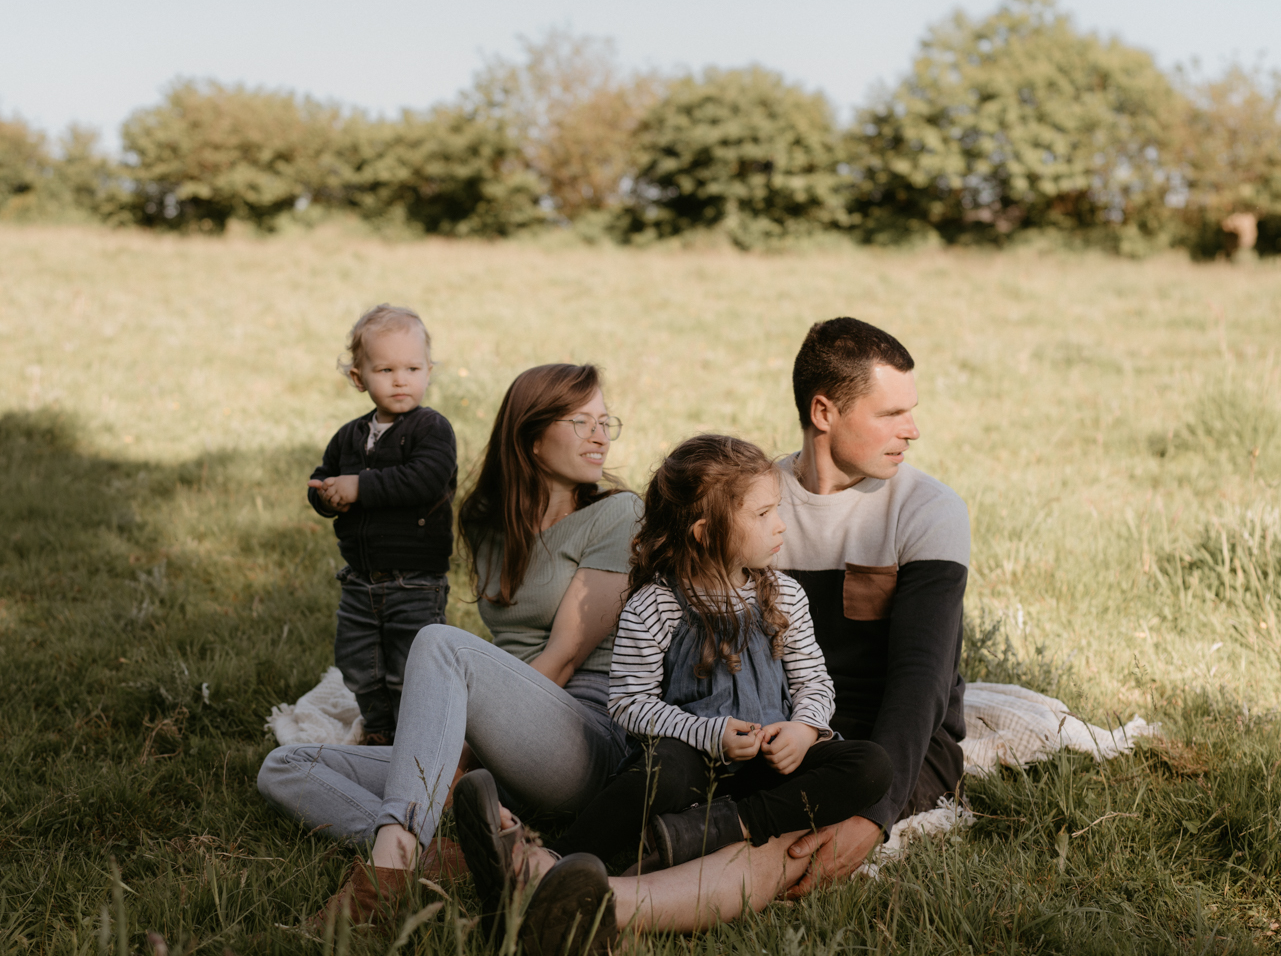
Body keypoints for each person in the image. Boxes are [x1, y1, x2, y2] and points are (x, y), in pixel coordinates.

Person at [262, 362, 642, 916]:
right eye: (580, 422)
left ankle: (388, 869)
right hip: (495, 747)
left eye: (605, 421)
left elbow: (562, 659)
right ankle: (454, 855)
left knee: (441, 643)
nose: (600, 435)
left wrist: (460, 746)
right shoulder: (488, 522)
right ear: (532, 437)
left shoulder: (619, 514)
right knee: (285, 766)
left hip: (581, 744)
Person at [553, 433, 892, 870]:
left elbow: (813, 681)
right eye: (763, 513)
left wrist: (804, 729)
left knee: (871, 764)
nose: (780, 525)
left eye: (778, 509)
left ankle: (729, 825)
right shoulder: (657, 605)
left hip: (769, 763)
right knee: (663, 774)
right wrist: (709, 734)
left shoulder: (785, 595)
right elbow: (629, 704)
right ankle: (558, 856)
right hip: (694, 765)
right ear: (706, 532)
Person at [775, 317, 971, 893]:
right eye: (889, 414)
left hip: (895, 744)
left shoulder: (929, 509)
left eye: (911, 410)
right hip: (784, 730)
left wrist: (874, 813)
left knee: (794, 829)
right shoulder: (756, 504)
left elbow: (922, 681)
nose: (912, 431)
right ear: (823, 413)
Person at [306, 304, 457, 744]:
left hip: (415, 582)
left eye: (412, 367)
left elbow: (425, 481)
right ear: (359, 378)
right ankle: (377, 729)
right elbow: (325, 474)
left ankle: (416, 736)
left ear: (428, 371)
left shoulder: (432, 429)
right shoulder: (350, 436)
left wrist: (360, 487)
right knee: (358, 661)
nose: (399, 379)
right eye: (385, 368)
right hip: (359, 581)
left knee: (408, 665)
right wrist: (327, 497)